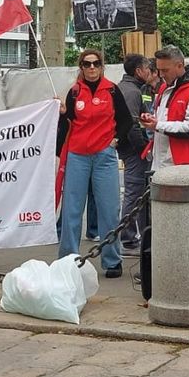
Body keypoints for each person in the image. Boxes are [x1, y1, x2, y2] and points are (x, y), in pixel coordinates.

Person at [57, 49, 134, 278]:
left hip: (104, 155)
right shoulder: (74, 92)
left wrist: (115, 140)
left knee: (109, 209)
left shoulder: (111, 89)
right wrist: (61, 113)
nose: (92, 68)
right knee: (71, 210)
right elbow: (67, 121)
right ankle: (67, 260)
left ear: (102, 66)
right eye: (87, 64)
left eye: (96, 64)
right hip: (77, 155)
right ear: (81, 67)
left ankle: (112, 260)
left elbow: (126, 120)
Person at [142, 46, 189, 170]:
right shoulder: (164, 88)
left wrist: (158, 125)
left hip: (183, 166)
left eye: (165, 70)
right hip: (161, 163)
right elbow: (163, 118)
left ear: (180, 66)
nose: (161, 75)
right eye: (159, 70)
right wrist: (151, 119)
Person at [116, 54, 155, 252]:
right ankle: (128, 238)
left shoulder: (128, 88)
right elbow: (131, 124)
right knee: (135, 193)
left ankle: (135, 235)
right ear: (138, 71)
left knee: (138, 193)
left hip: (130, 148)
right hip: (134, 150)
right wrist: (142, 149)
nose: (150, 71)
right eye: (147, 67)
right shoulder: (132, 92)